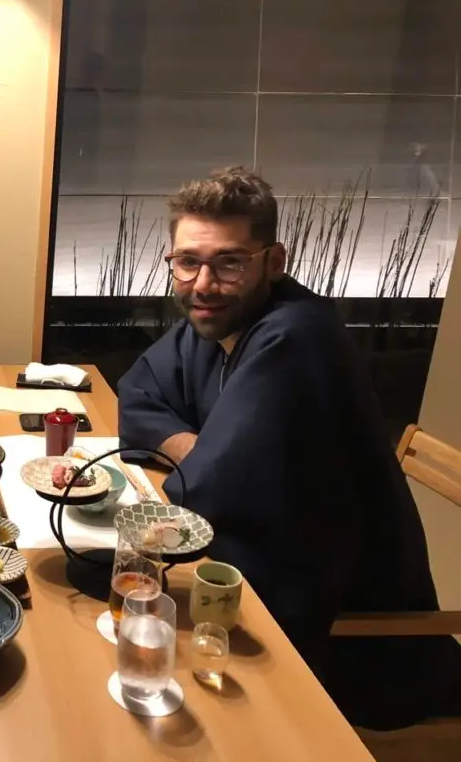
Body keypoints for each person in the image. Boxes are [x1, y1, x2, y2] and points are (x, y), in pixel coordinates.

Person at [118, 166, 461, 730]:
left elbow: (207, 495)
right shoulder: (216, 320)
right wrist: (201, 447)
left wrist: (203, 462)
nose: (203, 284)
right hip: (263, 570)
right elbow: (136, 393)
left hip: (344, 640)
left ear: (273, 262)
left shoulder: (296, 335)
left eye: (229, 262)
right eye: (187, 262)